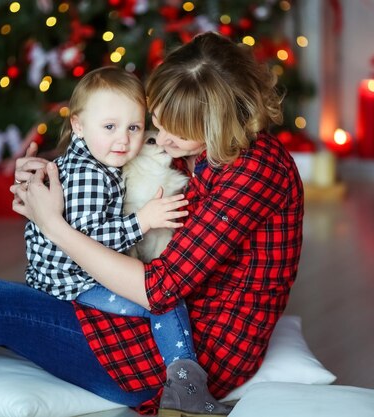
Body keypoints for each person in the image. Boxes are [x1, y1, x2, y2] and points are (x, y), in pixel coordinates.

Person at [0, 31, 302, 417]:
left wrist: (53, 224)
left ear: (219, 123)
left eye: (178, 128)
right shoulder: (196, 145)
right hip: (144, 314)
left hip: (185, 352)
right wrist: (52, 174)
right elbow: (114, 149)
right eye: (156, 116)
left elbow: (159, 290)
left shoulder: (255, 170)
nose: (160, 135)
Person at [23, 66, 229, 415]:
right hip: (72, 283)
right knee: (162, 301)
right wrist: (141, 222)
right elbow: (86, 240)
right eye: (110, 127)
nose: (123, 140)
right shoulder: (90, 175)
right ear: (78, 125)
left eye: (134, 128)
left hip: (70, 276)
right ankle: (186, 389)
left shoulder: (93, 158)